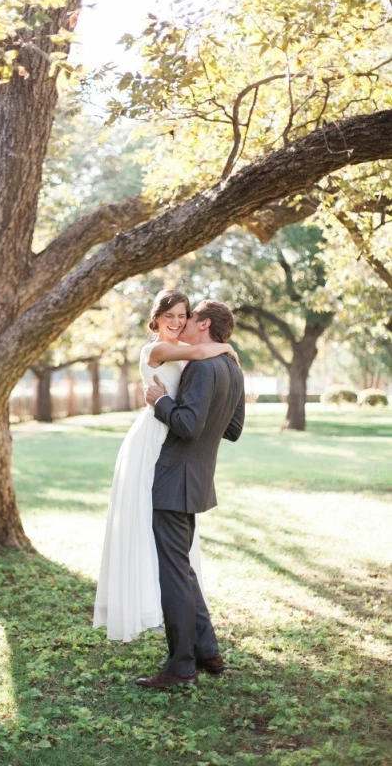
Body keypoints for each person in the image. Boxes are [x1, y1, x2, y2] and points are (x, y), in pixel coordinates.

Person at [93, 289, 239, 643]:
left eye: (182, 315)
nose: (176, 322)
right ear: (155, 318)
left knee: (173, 551)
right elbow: (204, 350)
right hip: (152, 441)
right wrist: (229, 349)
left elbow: (204, 397)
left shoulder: (196, 360)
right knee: (151, 533)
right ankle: (154, 613)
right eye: (170, 316)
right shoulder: (156, 350)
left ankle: (185, 634)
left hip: (176, 446)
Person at [135, 300, 245, 690]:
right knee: (182, 567)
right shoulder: (232, 365)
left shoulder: (200, 366)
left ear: (203, 323)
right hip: (198, 478)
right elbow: (232, 429)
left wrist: (160, 401)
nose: (185, 324)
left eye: (191, 316)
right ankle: (207, 650)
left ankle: (181, 667)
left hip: (172, 478)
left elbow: (186, 425)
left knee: (174, 573)